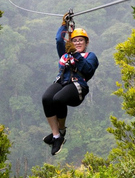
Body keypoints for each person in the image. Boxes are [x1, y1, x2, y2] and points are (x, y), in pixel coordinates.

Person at [42, 15, 99, 156]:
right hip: (62, 81)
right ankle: (56, 136)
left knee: (58, 99)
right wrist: (64, 25)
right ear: (71, 42)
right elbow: (58, 40)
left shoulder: (90, 56)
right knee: (47, 98)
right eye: (75, 41)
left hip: (77, 87)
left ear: (86, 42)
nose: (78, 43)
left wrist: (75, 54)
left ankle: (61, 131)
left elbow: (88, 70)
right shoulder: (65, 53)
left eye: (81, 40)